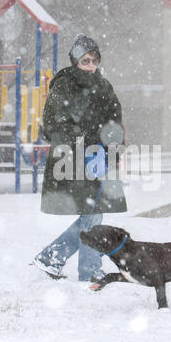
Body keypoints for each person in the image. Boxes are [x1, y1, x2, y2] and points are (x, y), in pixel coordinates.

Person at [33, 34, 127, 283]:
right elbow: (54, 123)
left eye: (94, 60)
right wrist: (86, 146)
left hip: (99, 157)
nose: (91, 65)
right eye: (85, 60)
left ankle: (53, 258)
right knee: (92, 213)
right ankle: (87, 270)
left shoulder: (104, 86)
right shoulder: (64, 84)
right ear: (75, 61)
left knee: (93, 213)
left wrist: (112, 150)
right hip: (73, 159)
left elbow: (114, 120)